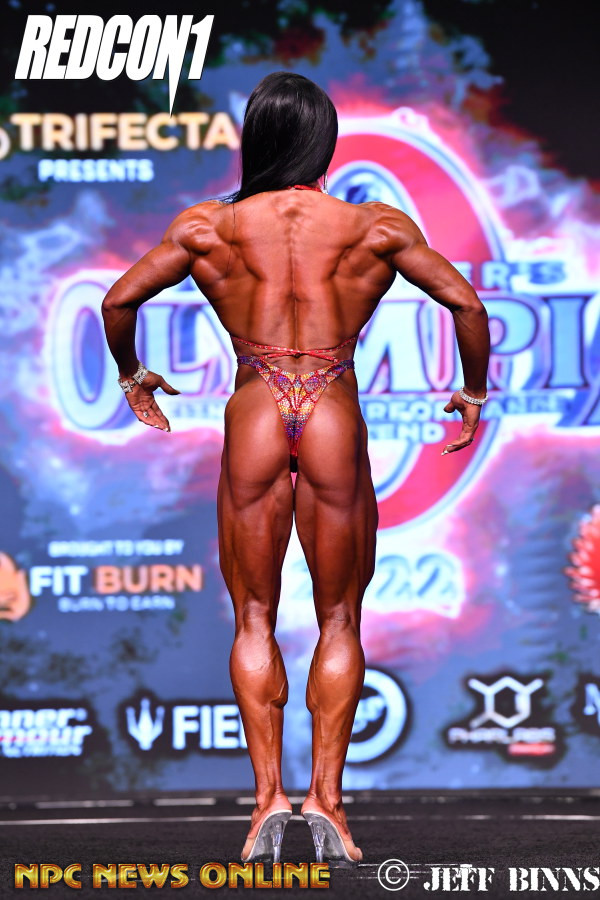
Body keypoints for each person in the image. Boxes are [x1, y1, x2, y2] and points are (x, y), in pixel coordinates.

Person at [101, 71, 490, 866]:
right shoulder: (374, 225)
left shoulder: (209, 227)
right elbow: (467, 306)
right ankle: (329, 807)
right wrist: (473, 392)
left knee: (253, 616)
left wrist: (132, 376)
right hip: (332, 407)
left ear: (258, 139)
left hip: (254, 406)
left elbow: (116, 302)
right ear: (324, 143)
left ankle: (266, 806)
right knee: (340, 617)